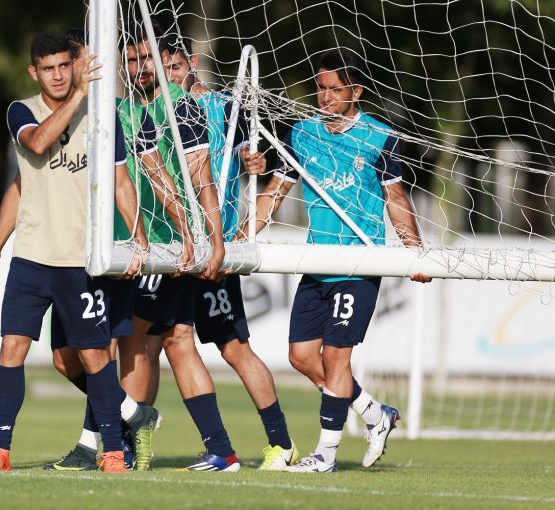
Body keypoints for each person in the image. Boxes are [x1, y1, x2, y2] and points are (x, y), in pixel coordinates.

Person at [241, 48, 431, 473]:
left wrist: (414, 253)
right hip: (318, 260)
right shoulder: (301, 133)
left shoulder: (380, 137)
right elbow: (276, 191)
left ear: (356, 92)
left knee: (335, 357)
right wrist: (240, 236)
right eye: (320, 88)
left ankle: (325, 455)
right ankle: (375, 414)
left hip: (359, 264)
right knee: (301, 356)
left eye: (334, 89)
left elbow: (396, 198)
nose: (325, 97)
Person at [0, 31, 138, 474]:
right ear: (34, 72)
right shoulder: (20, 111)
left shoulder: (103, 117)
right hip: (31, 256)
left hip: (80, 260)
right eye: (48, 69)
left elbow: (121, 184)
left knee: (91, 357)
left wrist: (138, 238)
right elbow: (32, 160)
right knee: (12, 348)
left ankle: (113, 451)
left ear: (73, 64)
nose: (58, 75)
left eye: (65, 65)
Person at [44, 28, 193, 472]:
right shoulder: (53, 115)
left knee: (113, 347)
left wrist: (178, 231)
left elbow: (148, 175)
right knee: (65, 359)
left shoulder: (124, 115)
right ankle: (132, 414)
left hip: (116, 249)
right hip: (66, 251)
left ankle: (102, 445)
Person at [161, 33, 299, 471]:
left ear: (192, 62)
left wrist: (255, 161)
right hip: (173, 241)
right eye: (163, 70)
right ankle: (211, 447)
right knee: (168, 341)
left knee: (232, 347)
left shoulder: (224, 107)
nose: (170, 76)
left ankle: (278, 443)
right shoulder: (155, 109)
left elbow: (248, 155)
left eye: (175, 67)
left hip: (213, 244)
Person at [118, 19, 240, 472]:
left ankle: (124, 444)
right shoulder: (119, 110)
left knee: (135, 340)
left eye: (146, 59)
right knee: (177, 341)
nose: (140, 68)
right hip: (143, 241)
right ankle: (220, 449)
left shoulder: (181, 107)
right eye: (132, 60)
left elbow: (201, 176)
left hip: (167, 244)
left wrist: (214, 239)